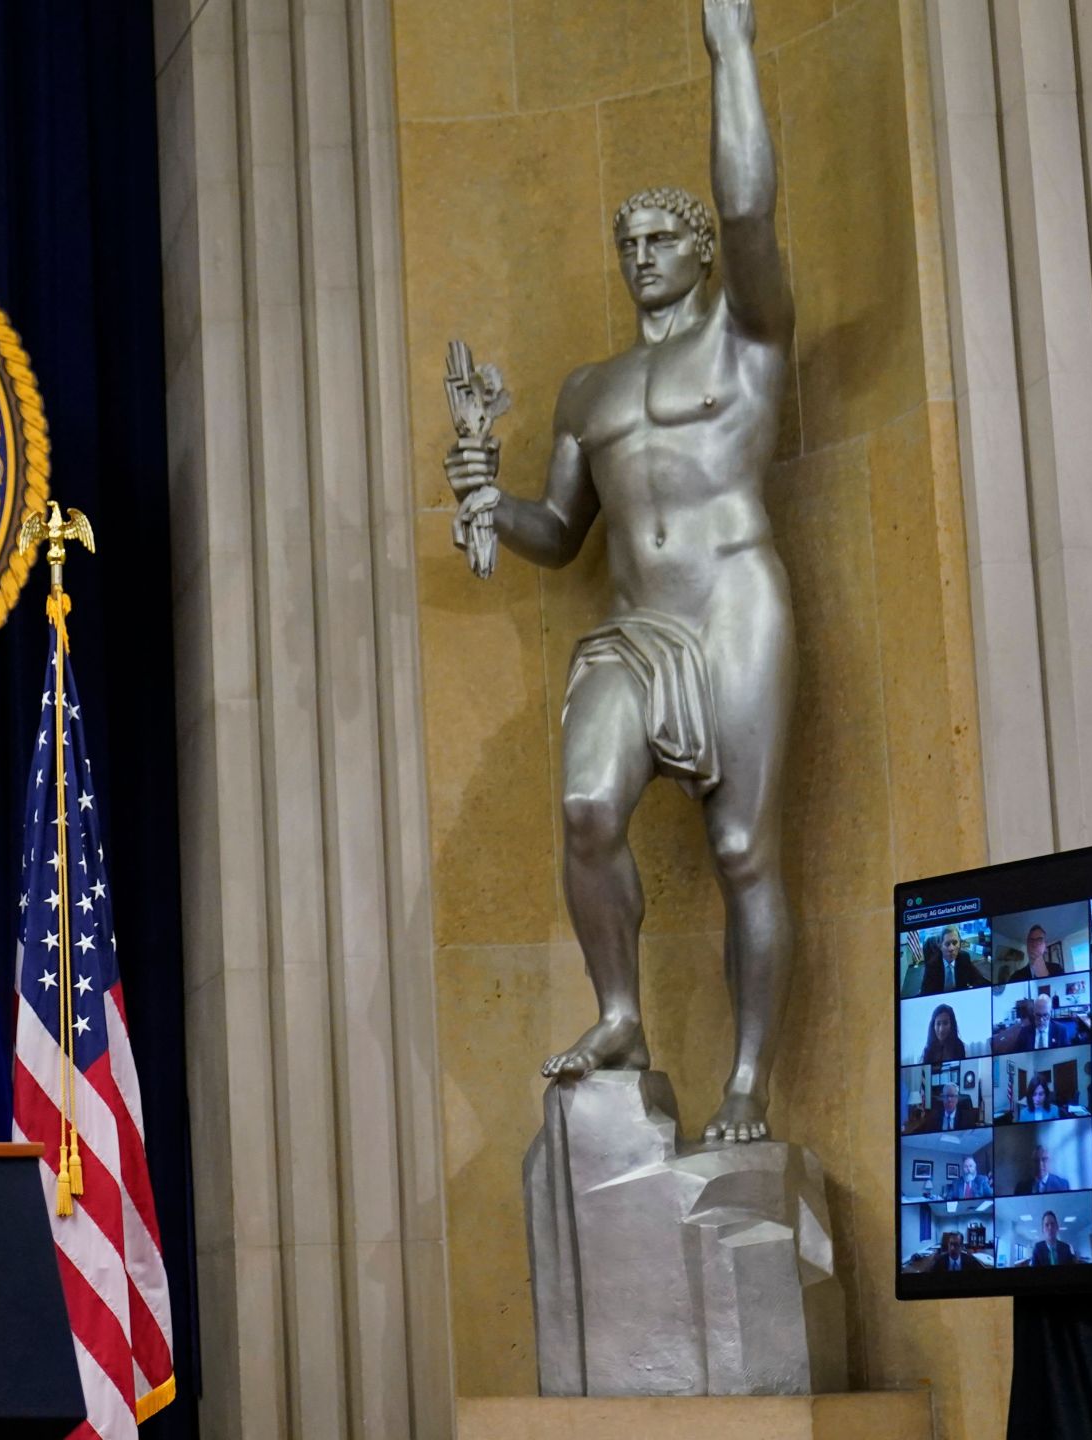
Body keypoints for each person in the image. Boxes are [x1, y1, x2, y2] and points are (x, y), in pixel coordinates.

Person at [447, 0, 794, 1145]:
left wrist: (728, 48)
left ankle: (746, 1083)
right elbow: (559, 532)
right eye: (627, 243)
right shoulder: (589, 390)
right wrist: (489, 497)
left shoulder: (744, 336)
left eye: (660, 239)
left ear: (699, 252)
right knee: (586, 806)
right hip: (636, 629)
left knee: (742, 849)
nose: (641, 255)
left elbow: (748, 202)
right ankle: (621, 1018)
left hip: (733, 606)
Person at [920, 934, 989, 995]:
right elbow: (925, 992)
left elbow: (978, 979)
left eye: (954, 943)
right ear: (940, 947)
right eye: (947, 944)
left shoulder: (963, 957)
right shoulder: (932, 966)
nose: (951, 948)